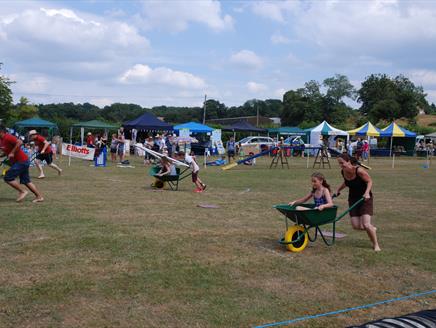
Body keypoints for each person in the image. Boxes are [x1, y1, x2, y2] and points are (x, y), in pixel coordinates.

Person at [335, 153, 381, 251]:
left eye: (342, 162)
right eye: (339, 163)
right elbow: (347, 182)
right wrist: (338, 189)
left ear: (348, 161)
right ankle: (372, 229)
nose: (341, 165)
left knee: (366, 224)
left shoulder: (359, 170)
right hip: (353, 198)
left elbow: (369, 181)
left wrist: (367, 193)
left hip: (365, 198)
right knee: (356, 226)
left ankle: (376, 244)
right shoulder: (343, 171)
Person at [0, 125, 44, 202]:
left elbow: (19, 142)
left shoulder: (8, 137)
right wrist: (2, 155)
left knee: (8, 177)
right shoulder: (2, 140)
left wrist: (12, 153)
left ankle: (22, 191)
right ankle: (39, 197)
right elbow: (7, 151)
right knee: (26, 181)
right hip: (21, 161)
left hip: (21, 161)